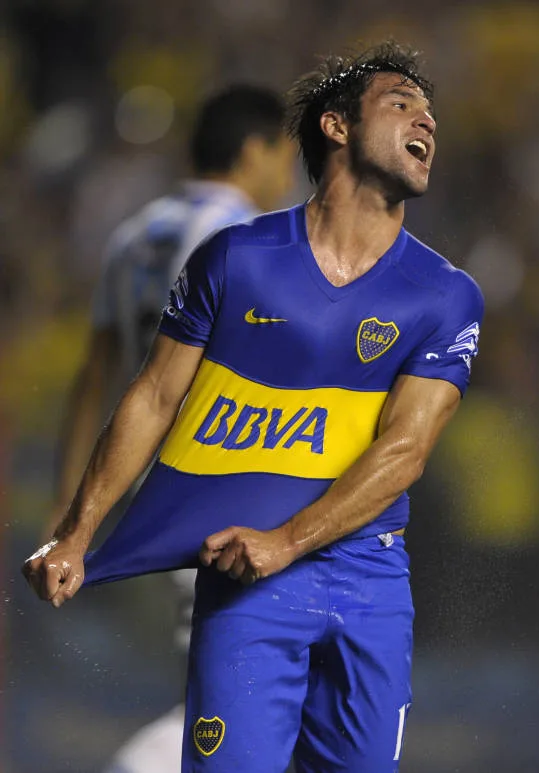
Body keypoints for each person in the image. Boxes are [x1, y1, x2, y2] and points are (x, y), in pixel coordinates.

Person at [24, 40, 483, 773]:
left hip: (369, 582)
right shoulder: (236, 258)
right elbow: (153, 394)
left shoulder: (446, 293)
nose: (426, 120)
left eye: (430, 112)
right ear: (336, 126)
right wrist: (77, 530)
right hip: (243, 580)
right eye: (402, 103)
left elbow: (406, 452)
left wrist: (290, 540)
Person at [50, 83, 295, 773]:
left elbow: (94, 379)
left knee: (249, 685)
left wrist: (75, 509)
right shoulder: (238, 238)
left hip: (145, 489)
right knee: (249, 691)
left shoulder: (133, 235)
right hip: (219, 486)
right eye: (285, 153)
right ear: (255, 150)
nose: (289, 173)